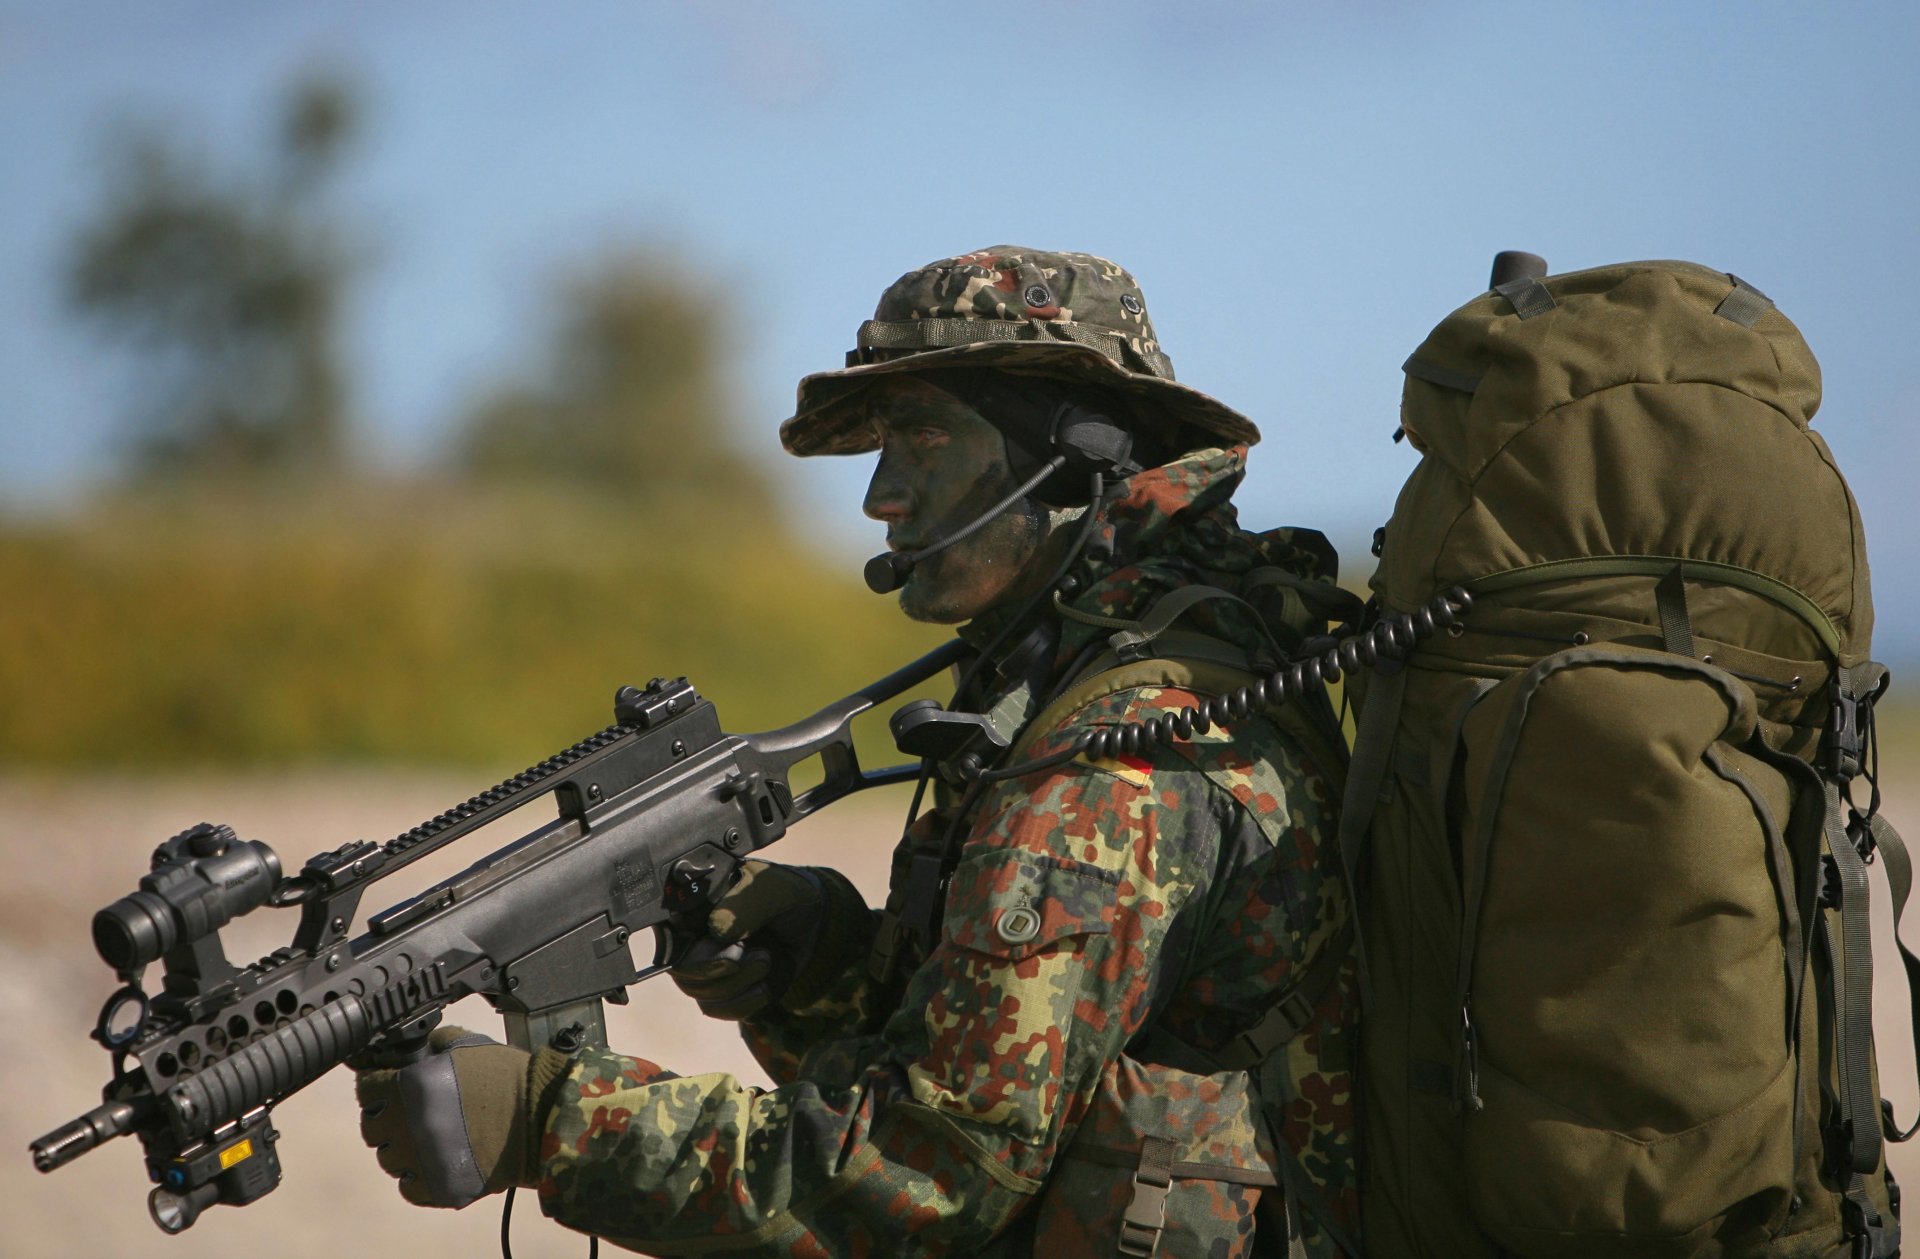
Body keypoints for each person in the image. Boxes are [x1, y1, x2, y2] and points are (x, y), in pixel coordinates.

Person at [355, 247, 1360, 1258]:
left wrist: (549, 1121)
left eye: (924, 436)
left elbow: (926, 1175)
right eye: (884, 443)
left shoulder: (1116, 766)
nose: (881, 495)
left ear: (1074, 456)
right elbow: (1018, 1059)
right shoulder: (1155, 659)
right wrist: (814, 961)